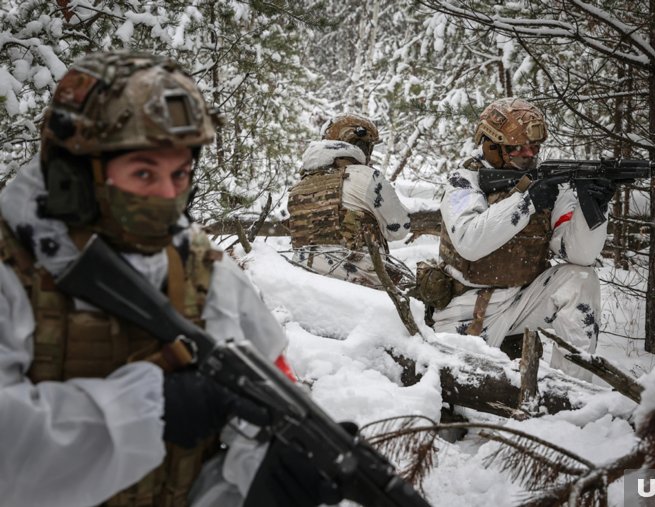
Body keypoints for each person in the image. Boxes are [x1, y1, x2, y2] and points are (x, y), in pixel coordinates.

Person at [0, 51, 327, 507]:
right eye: (143, 173)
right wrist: (153, 406)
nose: (168, 196)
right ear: (74, 174)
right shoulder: (11, 270)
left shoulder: (204, 270)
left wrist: (268, 476)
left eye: (180, 174)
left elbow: (266, 394)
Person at [429, 97, 615, 382]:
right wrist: (526, 202)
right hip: (464, 307)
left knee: (581, 279)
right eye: (519, 147)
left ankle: (570, 390)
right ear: (492, 145)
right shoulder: (465, 181)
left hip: (522, 302)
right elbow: (470, 241)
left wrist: (593, 209)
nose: (529, 154)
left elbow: (580, 255)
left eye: (534, 147)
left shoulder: (546, 183)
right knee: (456, 399)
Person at [288, 113, 413, 289]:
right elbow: (400, 228)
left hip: (307, 285)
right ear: (358, 144)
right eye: (368, 146)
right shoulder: (366, 176)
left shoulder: (298, 187)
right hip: (361, 288)